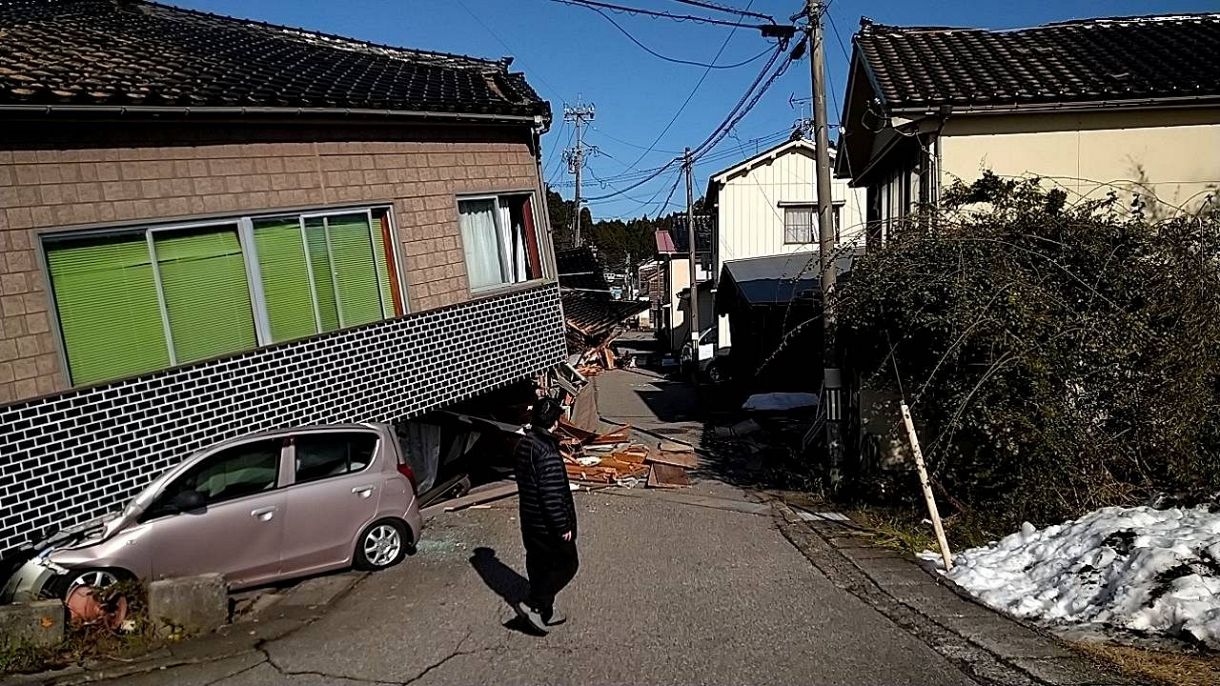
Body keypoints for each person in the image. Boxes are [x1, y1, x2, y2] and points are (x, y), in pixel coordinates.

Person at [513, 396, 578, 633]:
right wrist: (563, 526)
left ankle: (539, 609)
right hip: (547, 525)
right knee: (568, 564)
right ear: (554, 422)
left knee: (537, 564)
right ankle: (537, 606)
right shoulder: (547, 452)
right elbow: (551, 496)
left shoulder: (524, 444)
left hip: (529, 520)